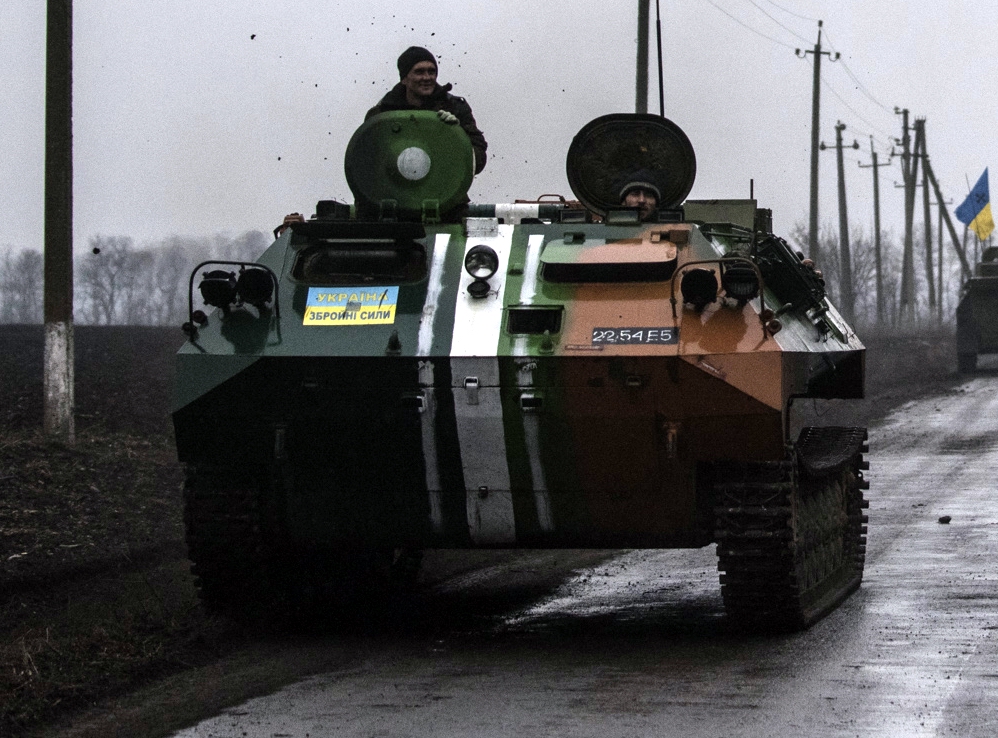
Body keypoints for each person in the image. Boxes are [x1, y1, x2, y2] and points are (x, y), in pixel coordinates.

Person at [366, 46, 487, 175]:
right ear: (404, 78)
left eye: (431, 71)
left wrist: (456, 135)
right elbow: (366, 158)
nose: (427, 77)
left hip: (442, 182)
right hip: (396, 184)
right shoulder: (382, 114)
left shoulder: (454, 107)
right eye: (419, 72)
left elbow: (478, 157)